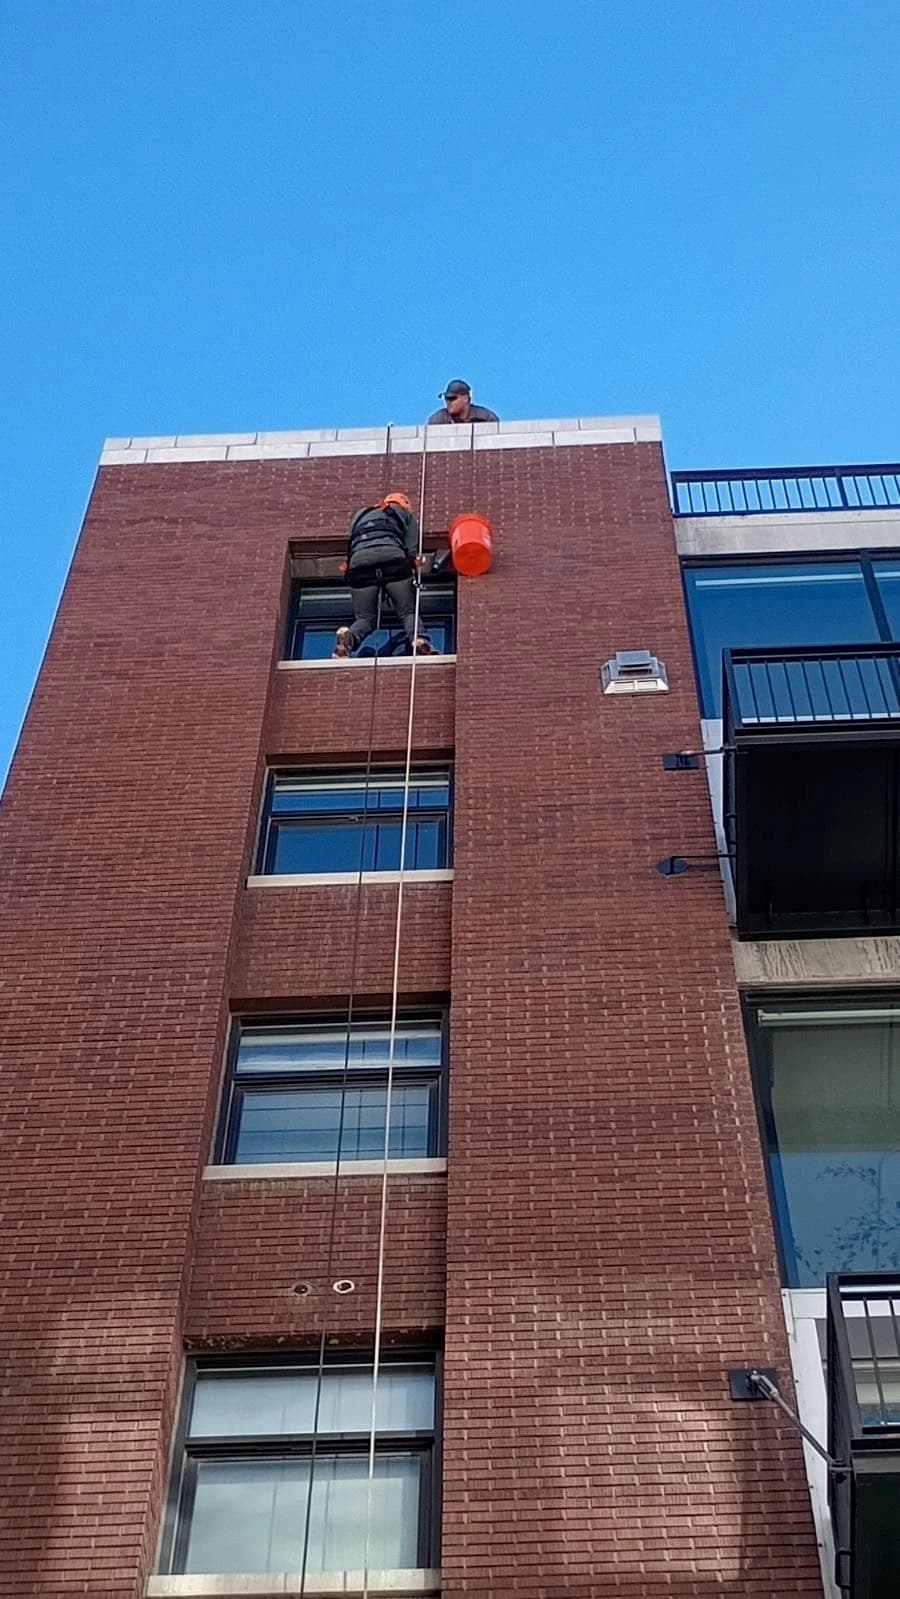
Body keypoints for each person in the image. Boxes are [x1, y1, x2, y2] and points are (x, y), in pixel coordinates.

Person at [333, 492, 434, 658]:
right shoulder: (406, 515)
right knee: (407, 613)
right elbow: (411, 548)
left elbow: (352, 542)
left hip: (360, 566)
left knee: (365, 618)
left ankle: (347, 640)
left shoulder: (360, 515)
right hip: (393, 562)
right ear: (405, 505)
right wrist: (412, 563)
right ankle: (419, 639)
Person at [427, 379, 499, 425]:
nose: (448, 402)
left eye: (452, 398)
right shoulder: (438, 420)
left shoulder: (486, 418)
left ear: (465, 398)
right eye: (446, 398)